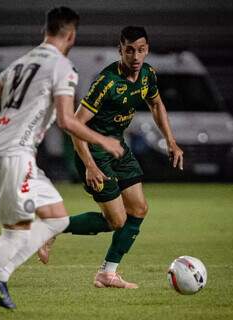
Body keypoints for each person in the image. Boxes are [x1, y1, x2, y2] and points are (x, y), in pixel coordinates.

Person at [0, 7, 123, 315]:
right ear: (71, 35)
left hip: (7, 152)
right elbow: (67, 121)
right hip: (15, 155)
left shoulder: (23, 61)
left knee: (56, 219)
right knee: (15, 234)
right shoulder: (62, 66)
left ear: (47, 30)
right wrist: (103, 141)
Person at [53, 25, 183, 288]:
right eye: (129, 50)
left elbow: (156, 104)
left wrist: (171, 140)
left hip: (118, 149)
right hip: (94, 152)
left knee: (138, 209)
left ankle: (107, 274)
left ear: (147, 50)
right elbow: (75, 125)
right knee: (117, 220)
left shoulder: (147, 75)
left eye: (141, 50)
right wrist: (89, 165)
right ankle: (53, 226)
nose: (136, 57)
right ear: (120, 50)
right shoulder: (107, 82)